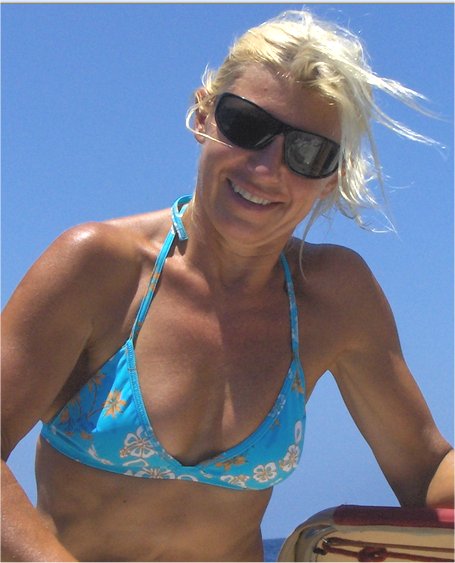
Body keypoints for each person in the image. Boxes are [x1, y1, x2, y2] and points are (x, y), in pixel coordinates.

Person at [1, 8, 453, 562]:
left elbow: (426, 468)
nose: (267, 167)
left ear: (329, 178)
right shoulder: (99, 268)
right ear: (203, 116)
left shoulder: (333, 298)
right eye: (246, 124)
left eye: (308, 152)